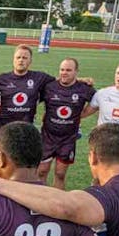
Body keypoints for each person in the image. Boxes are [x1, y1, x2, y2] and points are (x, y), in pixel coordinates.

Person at [38, 58, 97, 190]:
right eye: (62, 69)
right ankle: (39, 204)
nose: (64, 73)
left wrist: (82, 114)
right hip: (47, 136)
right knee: (41, 171)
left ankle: (57, 205)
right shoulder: (50, 87)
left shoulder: (84, 88)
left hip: (68, 139)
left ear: (76, 72)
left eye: (68, 70)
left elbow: (98, 101)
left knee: (60, 174)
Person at [0, 44, 56, 129]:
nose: (21, 60)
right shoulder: (1, 79)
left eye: (24, 58)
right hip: (4, 128)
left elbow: (61, 82)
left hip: (27, 128)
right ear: (13, 60)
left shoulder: (39, 78)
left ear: (30, 61)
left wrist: (77, 80)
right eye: (18, 57)